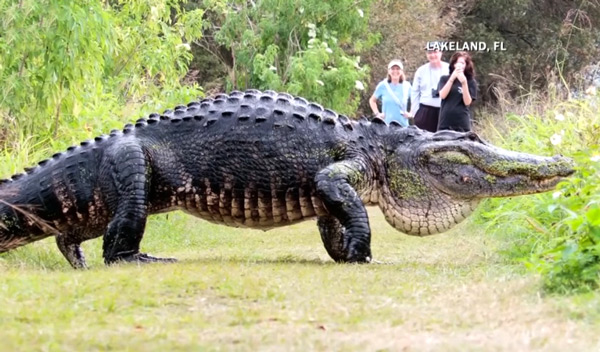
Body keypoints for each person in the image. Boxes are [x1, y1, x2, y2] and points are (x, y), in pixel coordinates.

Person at [410, 45, 449, 132]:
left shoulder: (448, 69)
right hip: (425, 111)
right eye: (429, 52)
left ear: (441, 52)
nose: (432, 55)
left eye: (435, 52)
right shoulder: (421, 71)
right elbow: (415, 92)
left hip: (444, 111)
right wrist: (416, 112)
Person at [437, 51, 478, 132]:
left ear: (466, 65)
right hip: (445, 122)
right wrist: (452, 79)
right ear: (453, 64)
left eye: (462, 63)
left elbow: (467, 102)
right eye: (457, 63)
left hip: (462, 123)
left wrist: (464, 83)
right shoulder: (444, 79)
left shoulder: (470, 81)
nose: (459, 65)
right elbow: (442, 95)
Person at [369, 59, 412, 126]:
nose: (395, 71)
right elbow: (372, 100)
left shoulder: (407, 86)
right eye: (393, 69)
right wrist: (377, 114)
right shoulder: (383, 85)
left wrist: (411, 114)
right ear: (389, 71)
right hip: (386, 126)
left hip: (403, 126)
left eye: (398, 69)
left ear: (401, 71)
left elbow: (416, 101)